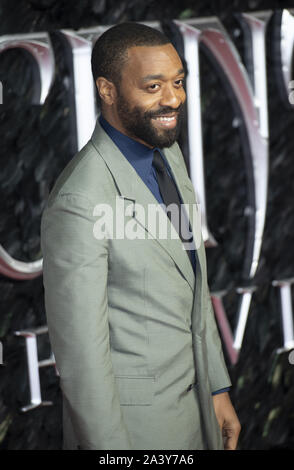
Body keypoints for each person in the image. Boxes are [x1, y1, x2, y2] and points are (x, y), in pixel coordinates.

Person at [41, 22, 241, 451]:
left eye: (178, 82)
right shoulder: (79, 200)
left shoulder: (168, 152)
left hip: (198, 416)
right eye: (153, 86)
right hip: (135, 434)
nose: (173, 99)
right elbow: (83, 369)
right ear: (107, 91)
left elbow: (193, 283)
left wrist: (216, 389)